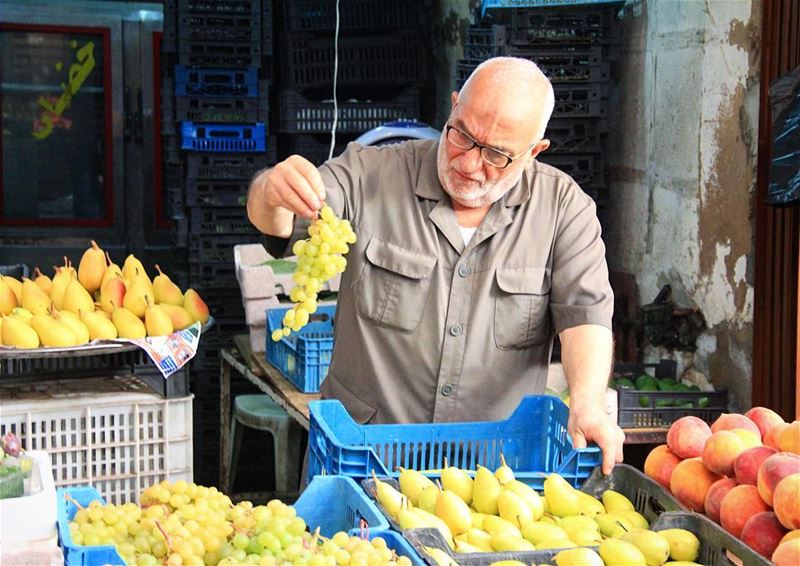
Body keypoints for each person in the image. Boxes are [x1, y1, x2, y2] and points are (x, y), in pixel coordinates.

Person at [247, 56, 624, 474]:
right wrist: (270, 192)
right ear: (453, 105)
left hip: (491, 479)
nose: (467, 163)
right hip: (361, 462)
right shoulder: (372, 173)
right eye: (461, 134)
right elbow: (282, 223)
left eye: (496, 154)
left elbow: (585, 317)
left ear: (534, 151)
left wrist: (588, 402)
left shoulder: (563, 210)